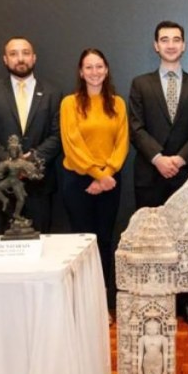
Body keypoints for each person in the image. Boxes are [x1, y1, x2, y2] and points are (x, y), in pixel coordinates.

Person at [128, 21, 188, 325]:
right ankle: (153, 300)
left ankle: (187, 303)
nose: (171, 44)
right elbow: (136, 127)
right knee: (151, 242)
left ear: (184, 45)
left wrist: (180, 159)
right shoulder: (140, 84)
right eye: (165, 39)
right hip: (150, 174)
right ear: (156, 45)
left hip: (186, 176)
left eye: (176, 39)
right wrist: (159, 158)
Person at [60, 48, 129, 301]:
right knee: (81, 244)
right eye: (88, 67)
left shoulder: (118, 103)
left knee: (105, 241)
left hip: (110, 180)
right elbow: (72, 144)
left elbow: (122, 143)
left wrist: (106, 175)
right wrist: (96, 174)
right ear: (81, 72)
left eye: (99, 66)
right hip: (78, 181)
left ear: (106, 70)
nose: (94, 72)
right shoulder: (69, 103)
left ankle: (102, 301)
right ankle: (82, 301)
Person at [0, 37, 62, 234]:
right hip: (1, 183)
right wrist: (11, 161)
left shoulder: (53, 92)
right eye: (13, 54)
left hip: (38, 184)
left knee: (41, 244)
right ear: (5, 59)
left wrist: (31, 160)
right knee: (0, 245)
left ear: (34, 58)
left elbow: (57, 135)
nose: (20, 58)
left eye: (25, 53)